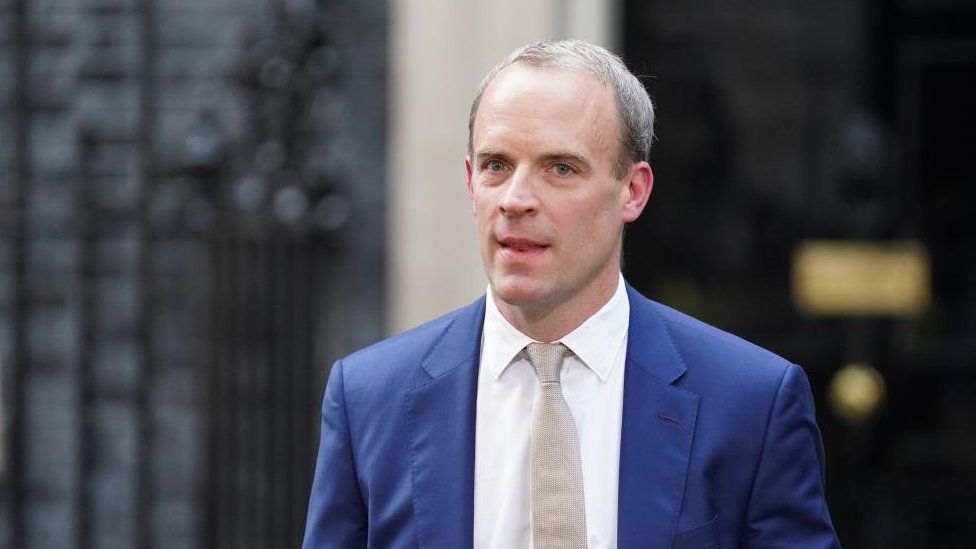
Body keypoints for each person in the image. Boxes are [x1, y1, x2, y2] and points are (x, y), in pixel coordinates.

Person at [302, 40, 840, 549]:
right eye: (496, 166)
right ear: (470, 182)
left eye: (560, 168)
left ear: (633, 191)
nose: (515, 200)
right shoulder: (369, 398)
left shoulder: (752, 402)